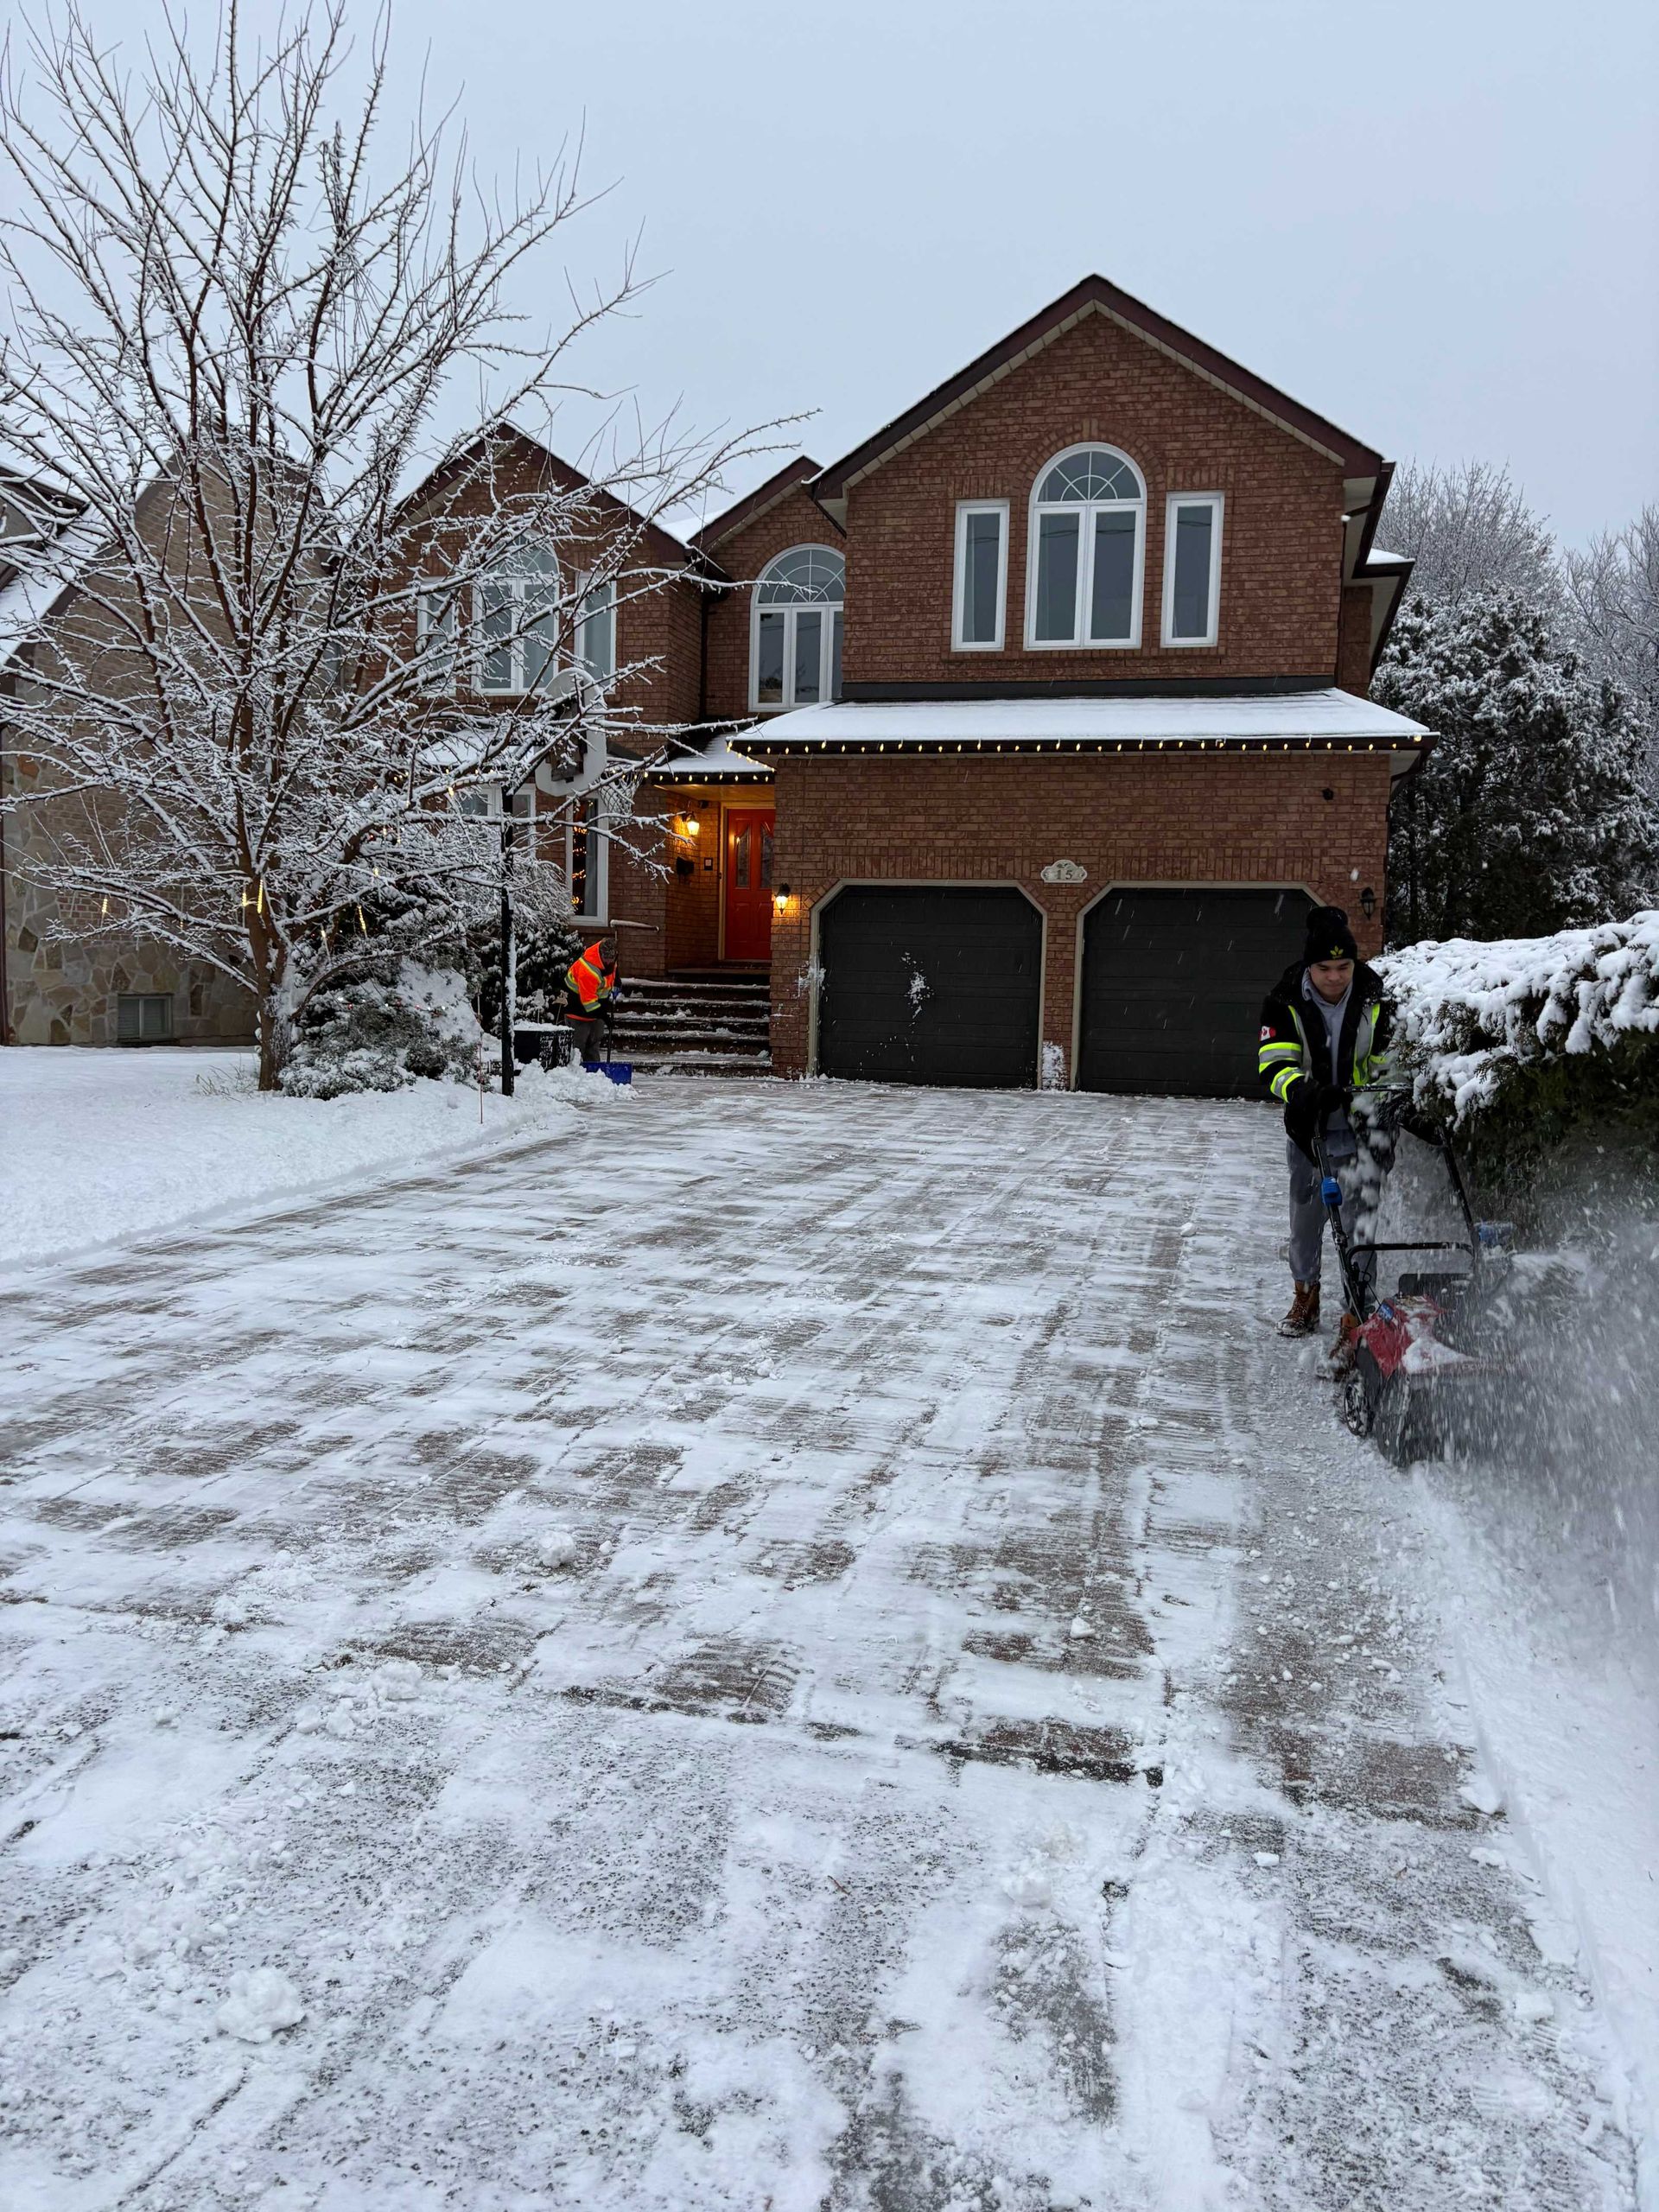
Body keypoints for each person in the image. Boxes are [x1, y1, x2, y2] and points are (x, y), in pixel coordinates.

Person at [1256, 905, 1393, 1353]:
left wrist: (1367, 1101)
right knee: (1307, 1217)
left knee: (1360, 1221)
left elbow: (1386, 1063)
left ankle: (1357, 1307)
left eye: (1343, 966)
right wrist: (1304, 1092)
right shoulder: (1284, 999)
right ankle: (1305, 1295)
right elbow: (1274, 1064)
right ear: (1310, 966)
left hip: (1362, 1127)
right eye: (1324, 968)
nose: (1335, 977)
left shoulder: (1375, 996)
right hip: (1309, 1129)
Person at [563, 931, 620, 1065]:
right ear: (600, 956)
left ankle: (595, 1074)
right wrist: (605, 1017)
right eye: (607, 960)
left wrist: (617, 984)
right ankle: (574, 1075)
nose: (610, 962)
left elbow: (614, 974)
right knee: (578, 1048)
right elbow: (589, 1004)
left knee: (593, 1045)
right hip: (577, 1010)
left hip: (596, 1009)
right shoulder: (588, 971)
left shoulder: (611, 961)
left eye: (612, 959)